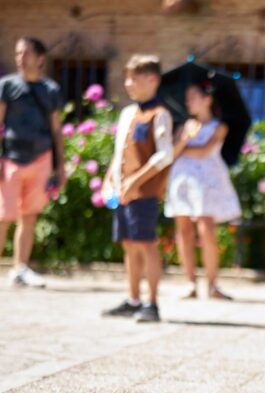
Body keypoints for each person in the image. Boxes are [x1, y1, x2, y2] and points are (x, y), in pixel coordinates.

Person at [101, 55, 173, 322]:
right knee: (129, 244)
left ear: (151, 79)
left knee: (146, 244)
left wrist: (136, 180)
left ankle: (151, 303)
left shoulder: (160, 115)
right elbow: (119, 151)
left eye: (134, 78)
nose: (128, 83)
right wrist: (110, 179)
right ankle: (133, 299)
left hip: (143, 193)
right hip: (122, 193)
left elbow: (164, 155)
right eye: (126, 77)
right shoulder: (127, 113)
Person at [165, 81, 241, 300]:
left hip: (207, 181)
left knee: (207, 229)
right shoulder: (184, 126)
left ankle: (212, 285)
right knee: (184, 231)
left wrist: (184, 147)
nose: (189, 102)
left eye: (193, 97)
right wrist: (185, 138)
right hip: (183, 180)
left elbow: (205, 150)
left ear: (207, 99)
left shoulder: (219, 126)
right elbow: (171, 153)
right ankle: (190, 283)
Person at [0, 37, 65, 288]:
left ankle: (20, 268)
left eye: (26, 53)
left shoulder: (50, 90)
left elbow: (57, 131)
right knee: (3, 215)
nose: (20, 58)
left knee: (29, 216)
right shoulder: (6, 86)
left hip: (41, 159)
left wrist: (60, 166)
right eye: (17, 53)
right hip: (10, 160)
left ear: (40, 58)